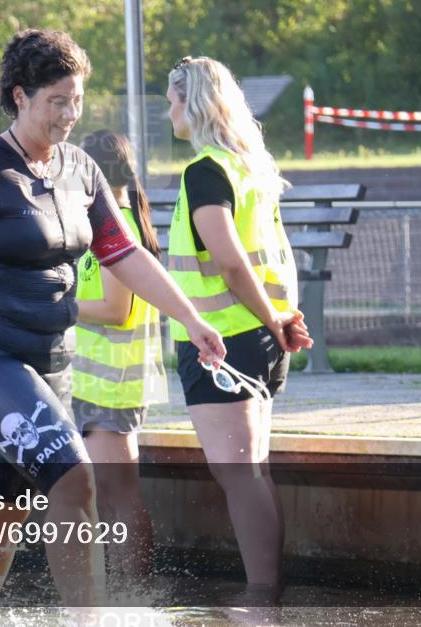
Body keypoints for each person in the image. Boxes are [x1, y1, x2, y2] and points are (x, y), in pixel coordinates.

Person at [0, 31, 226, 626]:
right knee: (75, 478)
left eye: (77, 100)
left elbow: (125, 254)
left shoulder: (81, 169)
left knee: (2, 511)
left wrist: (191, 318)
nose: (70, 114)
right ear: (20, 96)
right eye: (57, 101)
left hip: (50, 362)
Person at [164, 56, 313, 598]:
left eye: (172, 102)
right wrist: (279, 322)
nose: (169, 113)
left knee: (238, 474)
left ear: (194, 103)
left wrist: (273, 320)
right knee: (254, 471)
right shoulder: (251, 167)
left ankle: (261, 598)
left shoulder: (206, 171)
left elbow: (229, 260)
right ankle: (266, 593)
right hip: (259, 337)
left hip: (223, 341)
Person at [72, 130, 166, 577]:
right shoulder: (105, 223)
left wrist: (57, 305)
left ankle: (134, 593)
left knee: (118, 496)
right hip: (94, 384)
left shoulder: (118, 225)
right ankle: (113, 590)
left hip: (113, 385)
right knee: (103, 496)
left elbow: (115, 308)